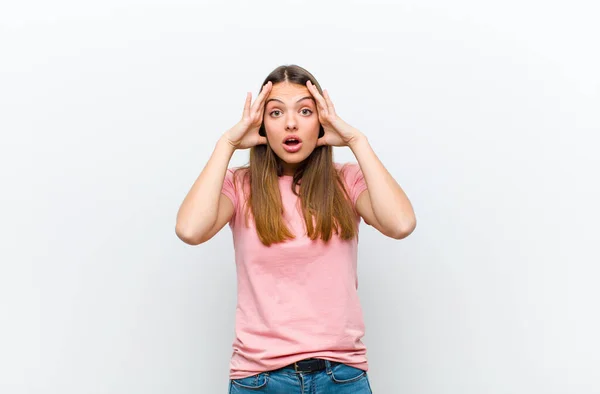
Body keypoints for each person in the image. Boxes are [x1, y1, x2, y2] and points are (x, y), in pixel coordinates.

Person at [175, 64, 417, 393]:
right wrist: (227, 144)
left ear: (320, 120)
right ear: (261, 124)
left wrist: (356, 140)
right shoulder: (240, 186)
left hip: (341, 377)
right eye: (276, 113)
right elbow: (190, 230)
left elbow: (401, 224)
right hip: (259, 381)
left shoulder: (345, 181)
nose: (291, 122)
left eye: (305, 110)